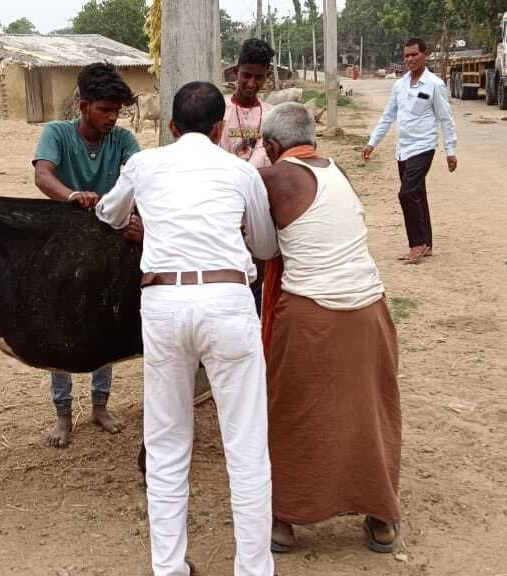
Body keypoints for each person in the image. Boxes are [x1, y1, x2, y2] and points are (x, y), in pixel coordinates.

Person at [97, 81, 277, 576]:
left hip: (163, 303)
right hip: (227, 302)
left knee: (167, 444)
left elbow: (109, 212)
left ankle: (169, 567)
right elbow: (264, 246)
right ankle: (253, 569)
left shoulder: (144, 164)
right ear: (220, 129)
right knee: (246, 447)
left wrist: (146, 219)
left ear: (173, 127)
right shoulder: (241, 171)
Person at [258, 102, 402, 554]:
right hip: (371, 309)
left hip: (312, 313)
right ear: (313, 140)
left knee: (291, 411)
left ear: (271, 145)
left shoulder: (273, 177)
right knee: (370, 411)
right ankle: (381, 515)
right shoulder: (339, 172)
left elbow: (261, 247)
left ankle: (283, 518)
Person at [32, 62, 142, 447]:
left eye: (117, 111)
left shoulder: (123, 140)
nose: (112, 118)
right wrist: (73, 196)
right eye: (105, 110)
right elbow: (43, 175)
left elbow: (142, 176)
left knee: (105, 320)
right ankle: (63, 413)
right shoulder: (57, 133)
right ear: (84, 106)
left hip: (108, 246)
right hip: (62, 243)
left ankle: (99, 406)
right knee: (60, 323)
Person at [362, 37, 458, 264]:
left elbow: (446, 119)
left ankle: (417, 244)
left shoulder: (434, 85)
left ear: (426, 55)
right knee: (417, 194)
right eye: (406, 55)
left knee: (406, 193)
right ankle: (427, 243)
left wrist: (450, 149)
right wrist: (372, 142)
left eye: (414, 54)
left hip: (424, 146)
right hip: (403, 149)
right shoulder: (400, 85)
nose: (410, 59)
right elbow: (388, 116)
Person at [221, 38, 276, 168]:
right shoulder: (220, 109)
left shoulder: (272, 115)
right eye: (246, 75)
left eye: (258, 77)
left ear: (267, 76)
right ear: (236, 72)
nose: (251, 84)